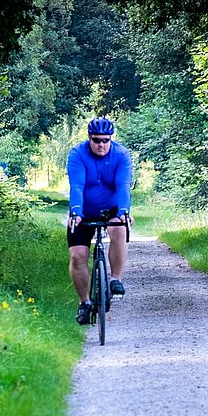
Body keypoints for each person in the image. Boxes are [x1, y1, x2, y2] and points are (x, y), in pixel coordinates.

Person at [66, 117, 133, 325]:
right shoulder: (77, 154)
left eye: (105, 140)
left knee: (120, 229)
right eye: (96, 140)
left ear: (111, 139)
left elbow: (123, 187)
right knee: (78, 255)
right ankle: (84, 303)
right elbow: (77, 186)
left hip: (111, 208)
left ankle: (115, 279)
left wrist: (124, 211)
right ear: (89, 138)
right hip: (84, 210)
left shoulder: (121, 155)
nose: (101, 145)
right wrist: (76, 212)